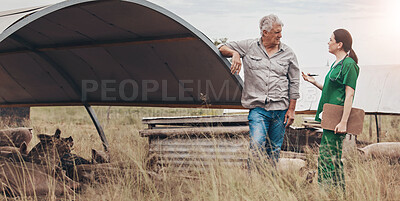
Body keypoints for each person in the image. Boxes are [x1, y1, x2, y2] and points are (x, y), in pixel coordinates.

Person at [218, 14, 300, 166]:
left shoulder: (288, 53)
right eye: (276, 32)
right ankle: (252, 182)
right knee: (256, 145)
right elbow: (221, 48)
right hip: (258, 109)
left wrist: (292, 110)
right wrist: (235, 53)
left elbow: (294, 82)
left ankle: (269, 183)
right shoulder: (248, 46)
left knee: (274, 149)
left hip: (280, 109)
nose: (280, 35)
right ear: (265, 33)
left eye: (280, 32)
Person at [302, 29, 359, 191]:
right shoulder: (336, 65)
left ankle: (325, 192)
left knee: (327, 158)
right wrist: (313, 82)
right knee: (334, 158)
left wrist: (343, 122)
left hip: (337, 121)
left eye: (331, 39)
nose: (328, 42)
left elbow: (349, 95)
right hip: (329, 117)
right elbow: (331, 90)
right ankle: (339, 193)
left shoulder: (349, 65)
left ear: (339, 44)